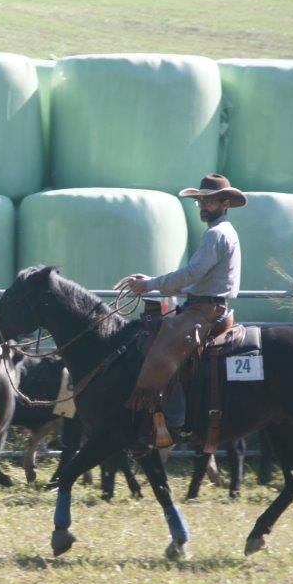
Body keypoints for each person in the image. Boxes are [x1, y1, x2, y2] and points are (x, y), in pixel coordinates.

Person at [125, 173, 246, 449]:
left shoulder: (216, 234)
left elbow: (192, 273)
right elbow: (197, 280)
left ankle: (175, 421)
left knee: (164, 347)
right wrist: (154, 285)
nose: (203, 206)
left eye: (209, 201)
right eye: (201, 201)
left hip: (206, 311)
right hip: (204, 305)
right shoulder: (220, 233)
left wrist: (150, 285)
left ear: (225, 202)